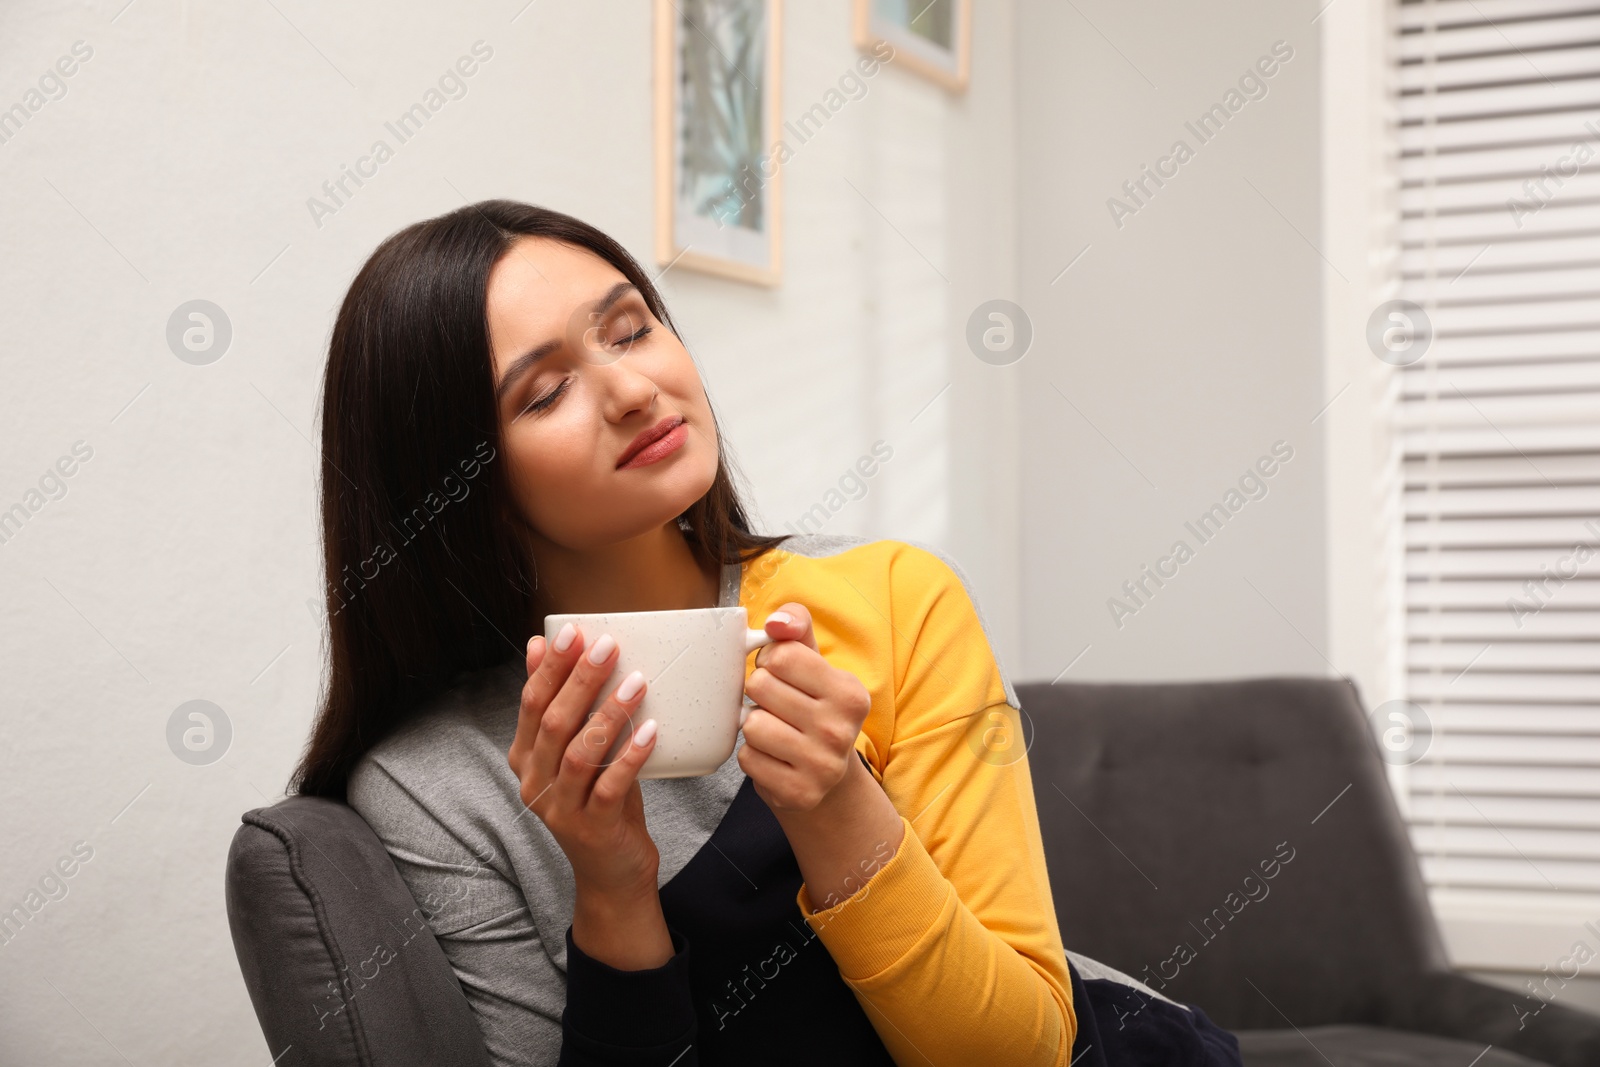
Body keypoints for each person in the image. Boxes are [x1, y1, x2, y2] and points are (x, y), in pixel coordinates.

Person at [290, 199, 1242, 1066]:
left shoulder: (891, 598)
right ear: (454, 489)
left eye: (632, 330)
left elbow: (1020, 1053)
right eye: (543, 395)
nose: (630, 390)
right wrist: (613, 889)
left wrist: (836, 809)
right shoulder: (436, 786)